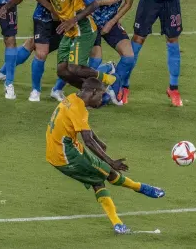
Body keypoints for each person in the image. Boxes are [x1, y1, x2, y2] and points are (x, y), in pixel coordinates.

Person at [46, 77, 165, 234]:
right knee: (107, 172)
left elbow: (83, 127)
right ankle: (137, 193)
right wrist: (110, 161)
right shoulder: (78, 108)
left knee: (100, 176)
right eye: (101, 95)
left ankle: (121, 217)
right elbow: (87, 141)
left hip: (63, 148)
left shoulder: (72, 98)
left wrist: (99, 141)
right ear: (93, 92)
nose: (102, 99)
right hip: (65, 155)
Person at [0, 0, 117, 90]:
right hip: (68, 29)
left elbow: (94, 4)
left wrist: (73, 20)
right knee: (62, 71)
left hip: (83, 28)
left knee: (75, 68)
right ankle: (100, 90)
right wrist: (6, 7)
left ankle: (110, 79)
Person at [85, 0, 136, 105]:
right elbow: (86, 2)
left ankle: (112, 89)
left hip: (111, 22)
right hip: (92, 22)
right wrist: (108, 1)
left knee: (129, 57)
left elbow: (128, 3)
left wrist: (112, 22)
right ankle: (106, 71)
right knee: (94, 62)